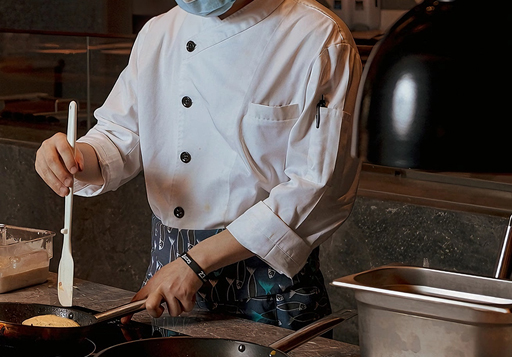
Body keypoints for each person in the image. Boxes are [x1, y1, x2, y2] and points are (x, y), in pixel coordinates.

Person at [35, 0, 362, 330]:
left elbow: (319, 187)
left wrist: (196, 262)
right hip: (168, 285)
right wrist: (76, 157)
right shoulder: (159, 33)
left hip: (269, 287)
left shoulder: (319, 37)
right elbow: (120, 136)